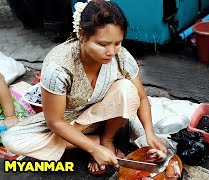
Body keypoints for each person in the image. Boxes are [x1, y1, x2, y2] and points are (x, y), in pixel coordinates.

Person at [2, 0, 167, 175]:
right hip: (70, 123)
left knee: (127, 89)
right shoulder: (59, 67)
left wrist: (150, 134)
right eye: (103, 44)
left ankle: (107, 140)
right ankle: (94, 141)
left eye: (117, 43)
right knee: (13, 140)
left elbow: (142, 97)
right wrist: (92, 148)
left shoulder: (121, 56)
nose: (111, 52)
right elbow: (55, 122)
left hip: (106, 115)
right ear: (82, 34)